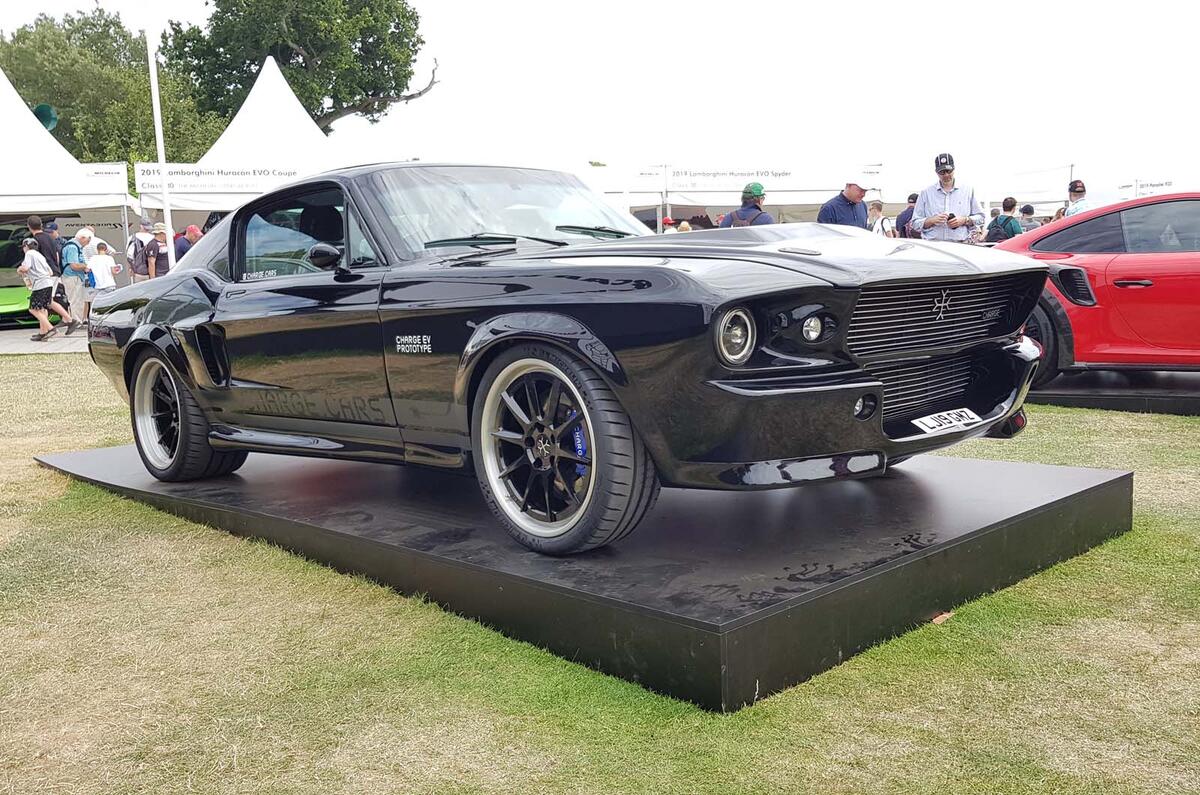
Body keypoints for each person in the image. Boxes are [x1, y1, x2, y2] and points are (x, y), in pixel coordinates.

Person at [911, 153, 985, 243]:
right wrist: (931, 220)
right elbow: (914, 223)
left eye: (948, 171)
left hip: (961, 245)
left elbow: (981, 218)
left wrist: (965, 220)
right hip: (933, 246)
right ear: (936, 172)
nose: (946, 175)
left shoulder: (968, 191)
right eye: (942, 172)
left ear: (954, 169)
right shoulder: (926, 193)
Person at [17, 238, 77, 341]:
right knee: (42, 308)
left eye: (23, 247)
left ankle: (50, 329)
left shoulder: (29, 254)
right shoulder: (40, 255)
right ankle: (43, 332)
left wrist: (20, 269)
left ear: (26, 246)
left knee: (33, 309)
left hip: (40, 284)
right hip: (48, 283)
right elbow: (49, 271)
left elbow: (25, 268)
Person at [60, 228, 92, 332]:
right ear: (82, 238)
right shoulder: (72, 247)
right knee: (75, 300)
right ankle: (76, 322)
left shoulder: (74, 246)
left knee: (78, 299)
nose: (88, 243)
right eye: (88, 240)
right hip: (72, 276)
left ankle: (77, 321)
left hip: (74, 277)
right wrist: (85, 266)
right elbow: (74, 265)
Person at [84, 241, 120, 317]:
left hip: (98, 285)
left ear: (97, 249)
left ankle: (98, 317)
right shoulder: (109, 258)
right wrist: (118, 269)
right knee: (109, 303)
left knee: (98, 304)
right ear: (106, 249)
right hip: (109, 284)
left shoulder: (93, 258)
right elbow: (114, 271)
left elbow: (87, 270)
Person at [127, 217, 154, 283]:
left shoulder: (132, 238)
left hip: (138, 272)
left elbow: (129, 256)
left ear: (141, 226)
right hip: (153, 271)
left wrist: (130, 268)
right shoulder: (153, 238)